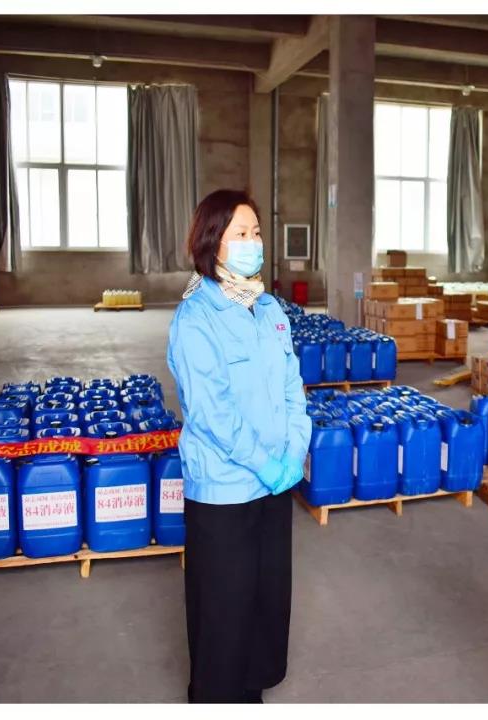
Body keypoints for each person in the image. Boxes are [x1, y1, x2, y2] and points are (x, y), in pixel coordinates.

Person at [167, 189, 312, 703]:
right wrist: (264, 463)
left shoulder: (269, 310)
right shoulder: (195, 319)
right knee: (224, 603)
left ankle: (251, 689)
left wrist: (294, 452)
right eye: (241, 234)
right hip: (225, 488)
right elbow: (213, 414)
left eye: (256, 232)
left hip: (275, 482)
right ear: (213, 243)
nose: (254, 243)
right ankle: (216, 696)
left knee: (266, 595)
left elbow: (293, 388)